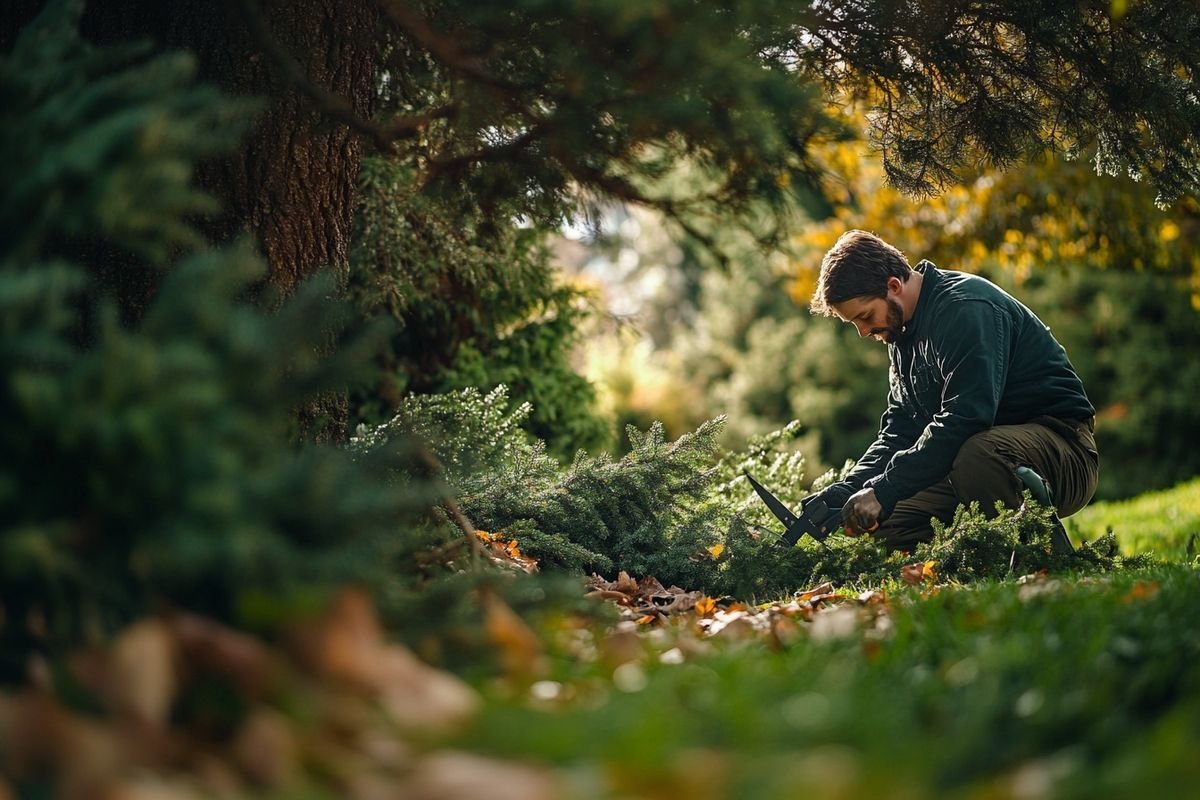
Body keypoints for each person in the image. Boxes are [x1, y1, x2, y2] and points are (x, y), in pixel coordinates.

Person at [807, 230, 1098, 552]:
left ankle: (1043, 558)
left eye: (865, 316)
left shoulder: (965, 308)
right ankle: (972, 564)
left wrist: (884, 490)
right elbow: (900, 431)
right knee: (885, 522)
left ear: (893, 286)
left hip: (1061, 450)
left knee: (979, 453)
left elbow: (967, 417)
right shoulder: (901, 333)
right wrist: (847, 489)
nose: (863, 332)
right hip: (970, 462)